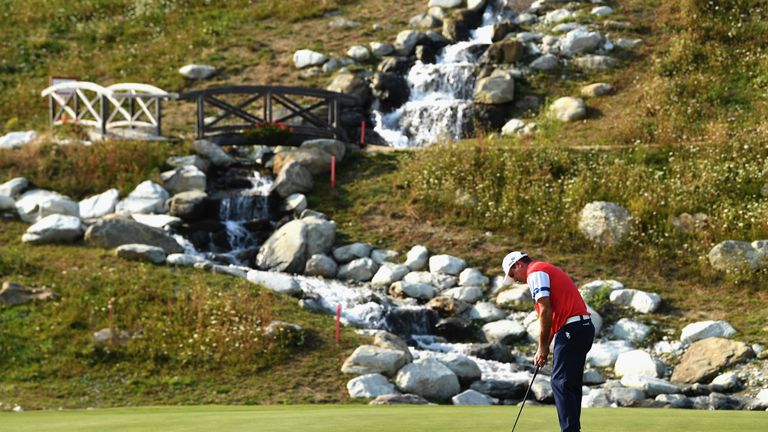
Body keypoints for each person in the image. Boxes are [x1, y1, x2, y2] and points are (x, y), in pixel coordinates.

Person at [502, 251, 594, 432]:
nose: (516, 280)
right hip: (581, 328)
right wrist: (543, 348)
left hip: (572, 330)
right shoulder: (544, 269)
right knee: (570, 383)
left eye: (513, 275)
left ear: (518, 264)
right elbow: (552, 317)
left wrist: (542, 347)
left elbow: (545, 311)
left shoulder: (535, 273)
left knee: (560, 382)